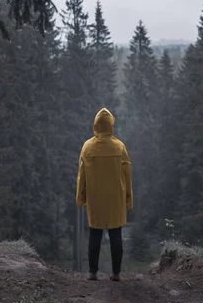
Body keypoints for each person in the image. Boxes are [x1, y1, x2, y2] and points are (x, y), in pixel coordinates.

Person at [76, 108, 133, 282]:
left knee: (95, 234)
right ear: (110, 125)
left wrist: (81, 197)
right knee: (116, 235)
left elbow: (81, 176)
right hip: (115, 199)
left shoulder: (87, 147)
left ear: (96, 124)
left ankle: (93, 272)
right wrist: (128, 199)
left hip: (96, 199)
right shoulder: (119, 147)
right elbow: (127, 176)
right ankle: (116, 273)